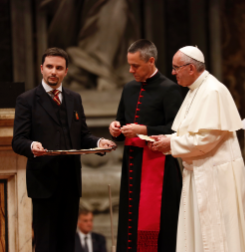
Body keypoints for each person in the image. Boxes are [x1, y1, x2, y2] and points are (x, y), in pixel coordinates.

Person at [151, 46, 245, 252]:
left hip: (215, 176)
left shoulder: (213, 91)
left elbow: (207, 138)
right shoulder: (196, 90)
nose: (173, 72)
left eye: (176, 68)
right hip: (199, 172)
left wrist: (172, 144)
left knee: (219, 237)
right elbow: (191, 131)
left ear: (191, 68)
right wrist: (168, 139)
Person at [12, 47, 116, 252]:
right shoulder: (27, 100)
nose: (54, 72)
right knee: (46, 244)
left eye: (59, 68)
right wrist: (32, 146)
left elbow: (83, 135)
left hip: (70, 183)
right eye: (49, 67)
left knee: (68, 243)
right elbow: (18, 140)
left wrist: (99, 143)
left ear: (66, 71)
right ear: (41, 69)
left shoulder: (74, 98)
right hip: (44, 183)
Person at [109, 39, 183, 252]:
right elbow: (122, 121)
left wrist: (143, 130)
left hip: (159, 166)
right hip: (132, 164)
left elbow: (176, 130)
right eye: (129, 65)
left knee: (161, 221)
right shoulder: (129, 88)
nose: (131, 70)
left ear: (151, 61)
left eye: (136, 66)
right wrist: (115, 128)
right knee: (130, 218)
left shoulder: (169, 89)